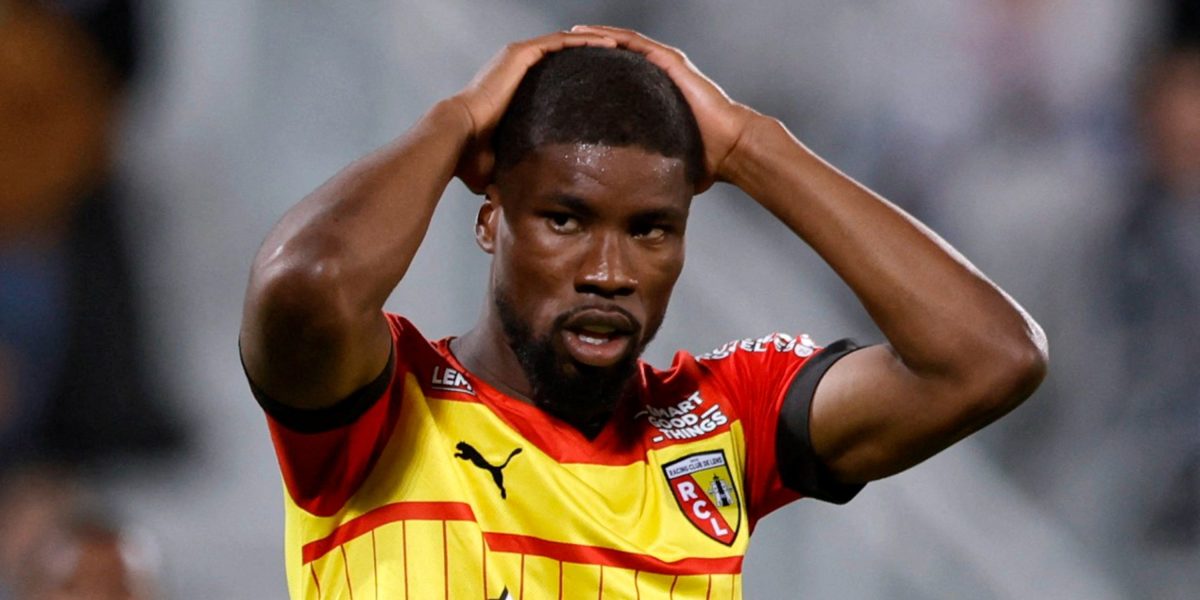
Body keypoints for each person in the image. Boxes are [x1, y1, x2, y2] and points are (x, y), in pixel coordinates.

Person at [240, 26, 1047, 597]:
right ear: (491, 221)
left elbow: (989, 357)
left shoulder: (725, 421)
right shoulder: (383, 409)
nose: (609, 273)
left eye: (650, 230)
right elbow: (306, 284)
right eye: (565, 220)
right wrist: (454, 122)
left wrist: (750, 147)